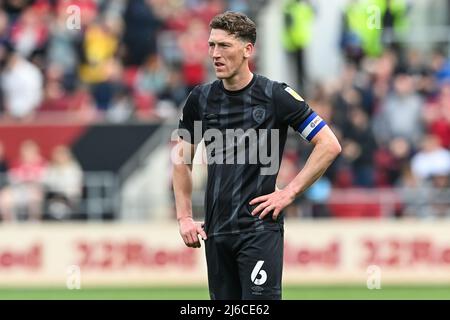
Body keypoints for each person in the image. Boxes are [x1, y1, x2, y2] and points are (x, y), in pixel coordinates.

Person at [172, 11, 341, 300]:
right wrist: (184, 217)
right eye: (212, 45)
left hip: (259, 230)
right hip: (215, 232)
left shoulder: (276, 95)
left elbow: (329, 144)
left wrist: (289, 193)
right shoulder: (200, 99)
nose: (214, 53)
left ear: (247, 49)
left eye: (224, 46)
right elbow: (180, 159)